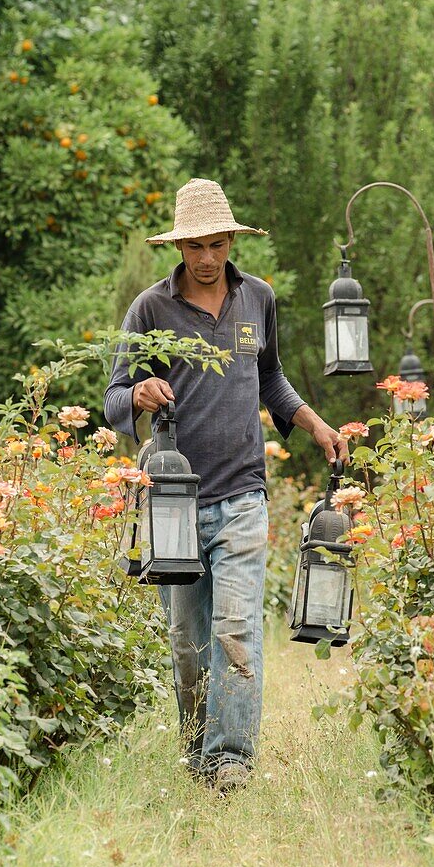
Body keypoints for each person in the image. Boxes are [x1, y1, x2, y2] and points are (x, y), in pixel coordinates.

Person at [104, 178, 348, 793]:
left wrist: (314, 423)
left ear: (232, 240)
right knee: (188, 644)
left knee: (236, 629)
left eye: (217, 245)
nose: (207, 259)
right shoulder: (150, 310)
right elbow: (112, 399)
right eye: (195, 248)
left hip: (243, 493)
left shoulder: (258, 299)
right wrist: (137, 391)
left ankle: (232, 760)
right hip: (173, 505)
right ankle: (197, 756)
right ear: (180, 246)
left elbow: (271, 380)